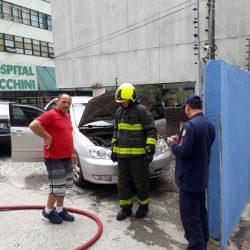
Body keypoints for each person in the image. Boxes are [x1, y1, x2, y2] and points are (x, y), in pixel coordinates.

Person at [166, 94, 215, 250]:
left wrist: (173, 144)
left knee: (190, 217)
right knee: (201, 213)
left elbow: (183, 152)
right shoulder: (209, 124)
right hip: (201, 178)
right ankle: (203, 241)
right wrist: (179, 139)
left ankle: (196, 246)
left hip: (188, 180)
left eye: (185, 108)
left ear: (187, 107)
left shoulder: (190, 126)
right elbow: (198, 146)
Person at [111, 82, 157, 221]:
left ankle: (144, 206)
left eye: (124, 101)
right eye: (120, 101)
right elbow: (116, 131)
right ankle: (126, 208)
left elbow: (151, 130)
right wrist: (113, 149)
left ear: (131, 98)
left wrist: (149, 149)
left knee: (140, 182)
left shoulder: (141, 111)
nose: (122, 103)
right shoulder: (119, 112)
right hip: (122, 156)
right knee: (123, 183)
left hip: (138, 156)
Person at [29, 93, 78, 224]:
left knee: (63, 186)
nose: (66, 104)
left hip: (66, 156)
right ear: (57, 102)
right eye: (64, 101)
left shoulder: (67, 116)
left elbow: (68, 135)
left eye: (69, 102)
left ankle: (60, 210)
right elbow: (33, 125)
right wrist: (48, 137)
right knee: (56, 187)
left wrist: (72, 152)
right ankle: (48, 211)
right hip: (54, 157)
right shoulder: (50, 114)